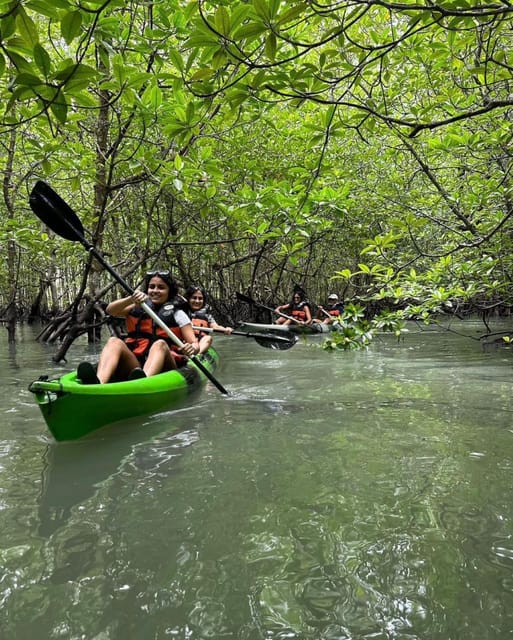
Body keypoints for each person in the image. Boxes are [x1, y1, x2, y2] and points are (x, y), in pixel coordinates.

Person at [77, 271, 200, 384]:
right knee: (114, 341)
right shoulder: (138, 306)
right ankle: (99, 383)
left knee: (160, 344)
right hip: (137, 365)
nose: (155, 290)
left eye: (161, 287)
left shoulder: (178, 313)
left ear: (169, 291)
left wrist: (191, 348)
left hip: (166, 365)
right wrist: (130, 299)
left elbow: (195, 344)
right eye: (152, 287)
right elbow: (110, 310)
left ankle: (143, 383)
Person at [184, 285, 233, 354]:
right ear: (188, 299)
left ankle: (197, 356)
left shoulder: (207, 316)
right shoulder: (181, 313)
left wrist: (225, 329)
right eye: (194, 298)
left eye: (200, 298)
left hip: (200, 343)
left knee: (208, 338)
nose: (197, 301)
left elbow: (215, 327)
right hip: (185, 342)